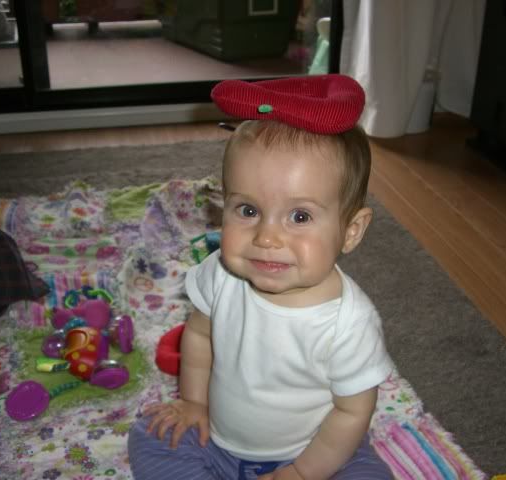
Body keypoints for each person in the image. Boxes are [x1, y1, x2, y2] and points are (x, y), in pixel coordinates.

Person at [128, 74, 395, 480]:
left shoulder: (349, 323)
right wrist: (195, 403)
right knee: (150, 433)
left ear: (351, 231)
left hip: (313, 451)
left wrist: (302, 472)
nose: (266, 238)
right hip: (217, 441)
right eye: (248, 210)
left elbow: (352, 411)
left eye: (300, 216)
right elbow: (198, 335)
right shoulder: (222, 274)